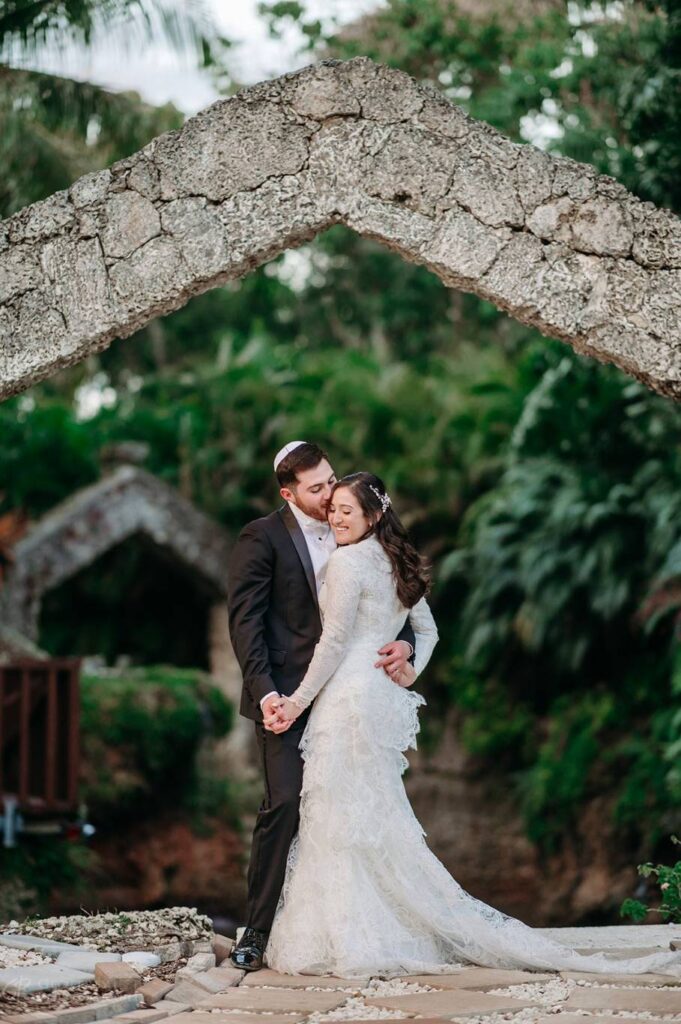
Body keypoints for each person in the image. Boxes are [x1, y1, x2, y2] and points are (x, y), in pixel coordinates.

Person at [264, 472, 681, 978]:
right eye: (333, 511)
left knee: (342, 815)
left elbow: (332, 644)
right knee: (370, 815)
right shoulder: (395, 559)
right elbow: (427, 630)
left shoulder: (349, 561)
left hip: (347, 700)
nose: (336, 517)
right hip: (373, 699)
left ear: (374, 516)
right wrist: (410, 665)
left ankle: (350, 937)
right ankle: (377, 929)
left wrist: (296, 701)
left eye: (347, 511)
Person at [227, 444, 417, 971]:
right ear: (287, 494)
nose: (330, 493)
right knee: (285, 803)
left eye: (331, 480)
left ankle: (363, 929)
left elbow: (397, 601)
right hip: (285, 699)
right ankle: (257, 932)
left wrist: (407, 646)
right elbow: (246, 624)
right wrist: (268, 694)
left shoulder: (364, 529)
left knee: (356, 812)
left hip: (347, 701)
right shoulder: (259, 537)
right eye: (316, 488)